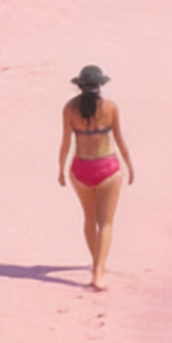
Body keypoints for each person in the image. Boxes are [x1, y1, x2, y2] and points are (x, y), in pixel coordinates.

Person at [56, 64, 134, 291]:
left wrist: (61, 170)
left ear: (80, 86)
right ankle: (98, 274)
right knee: (106, 223)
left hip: (81, 168)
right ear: (100, 85)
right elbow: (119, 140)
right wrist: (130, 165)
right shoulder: (110, 107)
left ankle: (96, 263)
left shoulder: (69, 108)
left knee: (90, 220)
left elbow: (65, 143)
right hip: (107, 167)